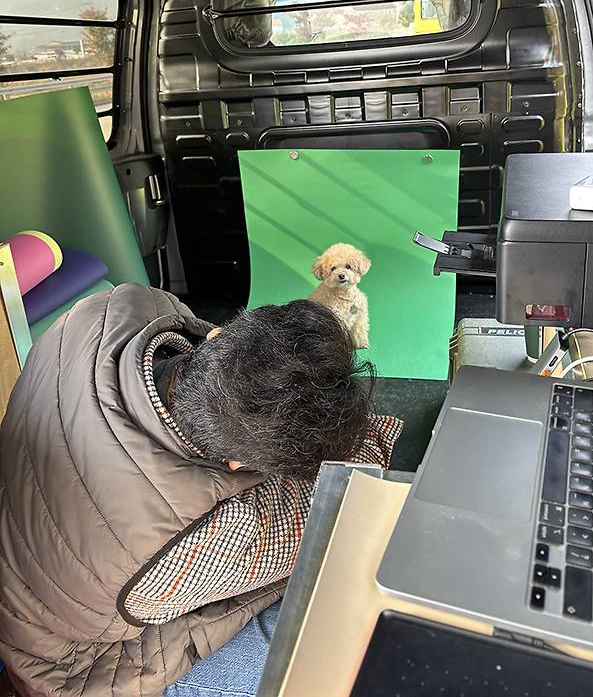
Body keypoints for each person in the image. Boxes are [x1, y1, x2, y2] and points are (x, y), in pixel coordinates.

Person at [0, 284, 401, 697]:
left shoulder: (118, 306)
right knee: (346, 633)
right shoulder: (199, 537)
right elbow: (338, 505)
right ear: (238, 465)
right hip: (73, 667)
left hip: (24, 527)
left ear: (218, 334)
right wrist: (367, 441)